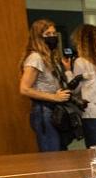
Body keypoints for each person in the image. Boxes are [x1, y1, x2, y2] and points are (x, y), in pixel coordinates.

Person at [18, 18, 73, 152]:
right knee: (52, 156)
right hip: (44, 111)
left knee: (61, 153)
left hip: (55, 111)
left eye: (54, 33)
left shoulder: (50, 57)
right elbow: (24, 89)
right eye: (47, 34)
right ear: (38, 37)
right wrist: (55, 97)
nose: (52, 37)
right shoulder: (35, 57)